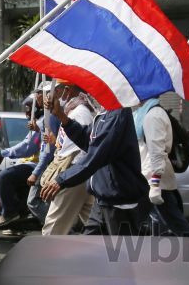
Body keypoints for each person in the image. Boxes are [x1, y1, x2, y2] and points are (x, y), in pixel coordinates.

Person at [41, 93, 149, 236]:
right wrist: (62, 117)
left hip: (118, 202)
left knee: (121, 254)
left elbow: (95, 155)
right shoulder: (106, 112)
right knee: (93, 247)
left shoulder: (117, 114)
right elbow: (88, 140)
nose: (90, 93)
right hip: (103, 199)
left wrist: (61, 180)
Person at [133, 98, 189, 236]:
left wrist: (155, 185)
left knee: (172, 221)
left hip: (152, 178)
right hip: (147, 176)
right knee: (170, 220)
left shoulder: (153, 115)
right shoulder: (141, 114)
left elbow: (157, 152)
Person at [41, 83, 95, 235]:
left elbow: (84, 149)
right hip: (74, 175)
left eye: (60, 89)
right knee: (95, 227)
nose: (57, 93)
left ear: (68, 90)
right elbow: (67, 145)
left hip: (73, 175)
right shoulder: (73, 111)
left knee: (52, 231)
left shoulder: (80, 113)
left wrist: (63, 179)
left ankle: (47, 258)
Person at [0, 96, 41, 227]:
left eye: (29, 109)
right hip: (29, 163)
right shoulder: (38, 123)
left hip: (36, 166)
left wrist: (1, 152)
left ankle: (9, 212)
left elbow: (26, 148)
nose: (26, 112)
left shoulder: (41, 124)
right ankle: (21, 211)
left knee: (4, 176)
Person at [26, 82, 60, 225]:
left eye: (41, 93)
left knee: (33, 201)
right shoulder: (45, 118)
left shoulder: (50, 118)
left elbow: (47, 150)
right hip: (49, 163)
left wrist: (35, 173)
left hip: (50, 165)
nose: (38, 96)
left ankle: (58, 228)